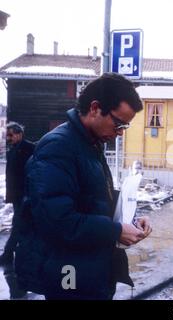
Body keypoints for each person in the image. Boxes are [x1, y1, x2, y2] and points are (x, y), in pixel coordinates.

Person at [15, 73, 152, 300]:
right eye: (118, 123)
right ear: (95, 108)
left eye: (124, 127)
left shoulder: (89, 143)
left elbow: (92, 196)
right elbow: (58, 221)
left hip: (90, 269)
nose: (119, 133)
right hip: (69, 273)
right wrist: (116, 231)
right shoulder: (58, 147)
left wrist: (130, 219)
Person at [0, 122, 35, 299]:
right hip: (17, 196)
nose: (8, 138)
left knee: (19, 224)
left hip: (26, 195)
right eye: (8, 135)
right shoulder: (13, 149)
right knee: (22, 225)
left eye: (11, 135)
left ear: (20, 134)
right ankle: (18, 255)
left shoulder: (30, 148)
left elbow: (34, 172)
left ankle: (7, 255)